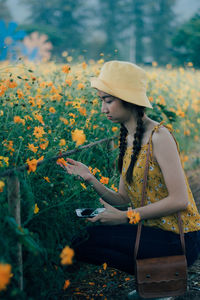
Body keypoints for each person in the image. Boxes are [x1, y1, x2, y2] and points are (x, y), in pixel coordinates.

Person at [57, 61, 200, 299]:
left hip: (181, 238)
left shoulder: (159, 136)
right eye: (101, 100)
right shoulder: (128, 137)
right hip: (153, 231)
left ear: (129, 100)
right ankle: (154, 280)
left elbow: (180, 200)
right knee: (82, 239)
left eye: (108, 100)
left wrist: (124, 217)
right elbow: (123, 199)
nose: (103, 109)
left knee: (86, 240)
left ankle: (160, 280)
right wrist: (90, 177)